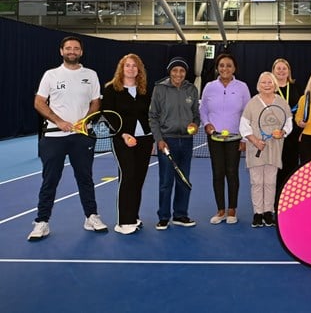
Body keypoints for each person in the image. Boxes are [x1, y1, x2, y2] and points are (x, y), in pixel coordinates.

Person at [29, 36, 108, 241]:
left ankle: (91, 216)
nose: (72, 51)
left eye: (76, 48)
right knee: (50, 180)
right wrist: (59, 121)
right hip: (54, 137)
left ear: (81, 52)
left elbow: (95, 103)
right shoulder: (51, 75)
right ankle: (42, 222)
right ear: (61, 51)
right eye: (68, 48)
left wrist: (84, 121)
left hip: (82, 137)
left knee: (85, 179)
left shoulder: (91, 75)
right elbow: (39, 102)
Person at [102, 53, 153, 235]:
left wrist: (152, 137)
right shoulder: (110, 90)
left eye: (134, 66)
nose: (131, 69)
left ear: (139, 69)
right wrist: (123, 134)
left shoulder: (145, 90)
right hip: (122, 140)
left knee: (138, 179)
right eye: (127, 65)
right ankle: (123, 221)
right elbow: (108, 115)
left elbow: (150, 115)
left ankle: (133, 216)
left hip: (145, 140)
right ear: (121, 68)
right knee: (128, 176)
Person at [148, 57, 200, 230]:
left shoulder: (191, 89)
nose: (178, 74)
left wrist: (195, 124)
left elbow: (196, 115)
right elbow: (153, 116)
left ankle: (180, 215)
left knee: (184, 180)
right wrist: (159, 140)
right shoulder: (160, 89)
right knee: (166, 181)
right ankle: (163, 217)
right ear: (170, 72)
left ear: (185, 73)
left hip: (186, 141)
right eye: (175, 70)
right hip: (167, 141)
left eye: (182, 71)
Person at [199, 53, 251, 225]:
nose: (225, 68)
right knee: (218, 173)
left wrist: (244, 139)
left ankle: (232, 210)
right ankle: (220, 210)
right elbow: (203, 109)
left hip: (235, 138)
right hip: (215, 138)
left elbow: (247, 113)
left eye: (229, 65)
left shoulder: (242, 87)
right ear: (217, 68)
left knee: (232, 173)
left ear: (234, 68)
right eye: (221, 65)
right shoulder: (209, 87)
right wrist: (206, 123)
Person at [240, 72, 293, 227]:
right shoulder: (252, 103)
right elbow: (243, 126)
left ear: (275, 84)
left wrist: (283, 132)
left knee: (270, 181)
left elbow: (288, 123)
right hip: (256, 147)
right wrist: (255, 141)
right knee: (256, 182)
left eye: (270, 82)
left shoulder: (282, 102)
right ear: (259, 85)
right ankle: (258, 213)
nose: (267, 85)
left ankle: (268, 212)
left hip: (274, 148)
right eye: (263, 82)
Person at [272, 58, 304, 205]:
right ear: (273, 71)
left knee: (291, 167)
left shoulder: (296, 88)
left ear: (289, 71)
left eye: (284, 68)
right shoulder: (268, 87)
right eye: (278, 68)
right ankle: (274, 201)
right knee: (275, 168)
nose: (281, 71)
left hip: (293, 135)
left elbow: (303, 110)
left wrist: (302, 130)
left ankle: (287, 199)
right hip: (274, 135)